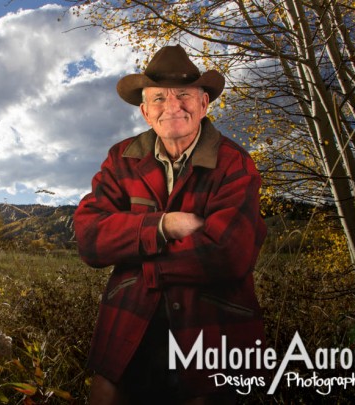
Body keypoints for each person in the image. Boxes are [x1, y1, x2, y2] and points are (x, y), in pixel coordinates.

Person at [73, 45, 267, 404]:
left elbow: (228, 254)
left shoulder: (234, 163)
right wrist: (163, 226)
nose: (172, 105)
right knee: (105, 393)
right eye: (159, 98)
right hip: (131, 317)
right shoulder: (122, 158)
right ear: (146, 112)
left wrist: (137, 250)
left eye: (183, 95)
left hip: (213, 323)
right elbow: (89, 237)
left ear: (204, 103)